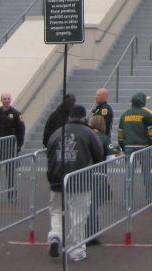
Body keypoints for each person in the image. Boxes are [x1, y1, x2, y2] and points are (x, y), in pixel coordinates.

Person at [46, 104, 104, 262]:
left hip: (57, 179)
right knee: (78, 216)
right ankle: (76, 250)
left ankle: (55, 236)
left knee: (57, 211)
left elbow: (49, 152)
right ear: (84, 117)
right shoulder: (88, 132)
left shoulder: (57, 132)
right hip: (80, 180)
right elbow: (99, 154)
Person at [0, 92, 26, 197]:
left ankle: (12, 195)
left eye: (8, 98)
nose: (6, 100)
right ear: (1, 100)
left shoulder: (18, 114)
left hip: (10, 147)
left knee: (11, 173)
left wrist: (19, 145)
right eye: (4, 99)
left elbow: (21, 130)